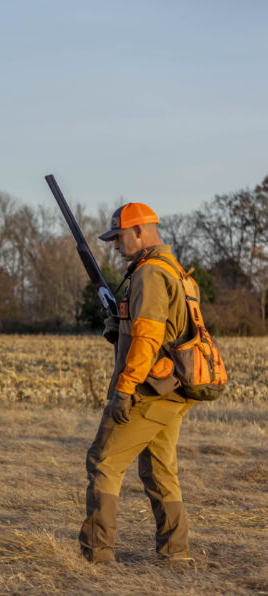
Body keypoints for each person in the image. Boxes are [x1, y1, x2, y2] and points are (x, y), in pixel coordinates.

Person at [78, 202, 198, 565]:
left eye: (119, 236)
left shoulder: (148, 274)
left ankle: (97, 556)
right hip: (173, 390)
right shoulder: (177, 272)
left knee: (103, 462)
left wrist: (125, 391)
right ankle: (175, 556)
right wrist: (117, 325)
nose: (114, 245)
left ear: (140, 231)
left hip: (148, 390)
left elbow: (147, 338)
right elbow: (158, 331)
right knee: (160, 472)